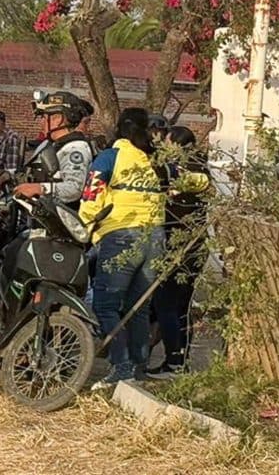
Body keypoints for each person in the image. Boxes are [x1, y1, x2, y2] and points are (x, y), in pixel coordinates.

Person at [80, 108, 166, 390]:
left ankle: (121, 367)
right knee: (139, 307)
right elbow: (194, 181)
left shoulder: (109, 157)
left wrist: (85, 228)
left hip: (120, 237)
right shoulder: (157, 161)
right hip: (155, 238)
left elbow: (91, 196)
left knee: (105, 305)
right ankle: (138, 370)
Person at [149, 125, 209, 379]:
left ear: (176, 144)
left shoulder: (190, 170)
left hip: (182, 247)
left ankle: (175, 361)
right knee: (178, 305)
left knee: (168, 304)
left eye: (166, 142)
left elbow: (192, 183)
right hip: (188, 245)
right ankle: (176, 361)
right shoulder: (195, 167)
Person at [15, 91, 93, 208]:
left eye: (44, 117)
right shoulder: (55, 145)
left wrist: (40, 188)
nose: (41, 122)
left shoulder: (75, 148)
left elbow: (74, 188)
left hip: (63, 218)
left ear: (58, 119)